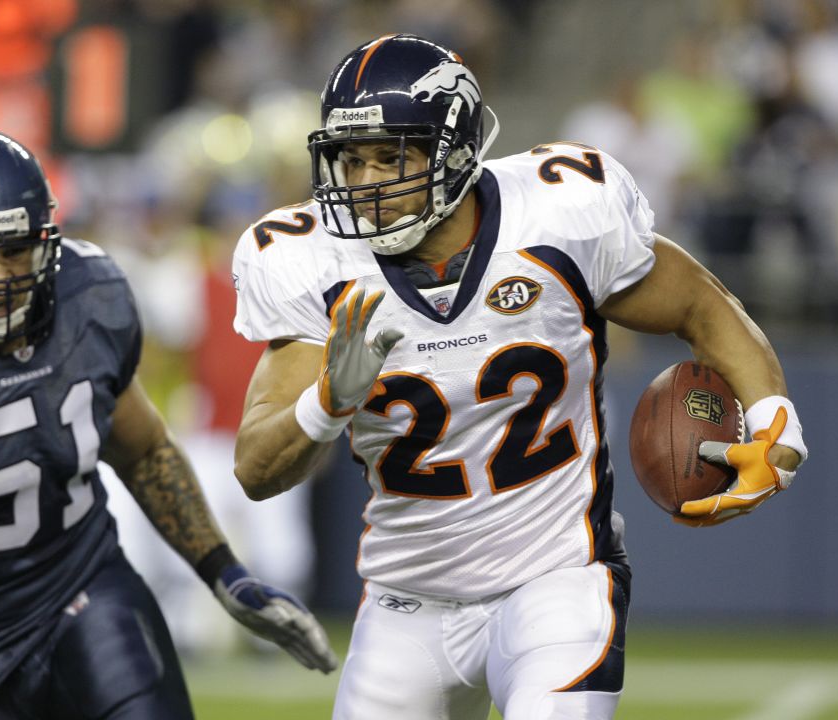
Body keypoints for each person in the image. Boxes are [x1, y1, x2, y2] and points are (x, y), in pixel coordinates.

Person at [230, 34, 808, 720]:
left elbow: (700, 305)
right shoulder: (310, 263)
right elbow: (255, 469)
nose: (365, 184)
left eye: (392, 157)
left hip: (553, 580)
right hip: (404, 603)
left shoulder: (560, 214)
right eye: (351, 160)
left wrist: (775, 417)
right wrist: (326, 402)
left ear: (458, 148)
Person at [0, 128, 337, 720]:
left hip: (87, 592)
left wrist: (224, 573)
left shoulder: (88, 295)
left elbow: (143, 452)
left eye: (16, 249)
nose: (1, 276)